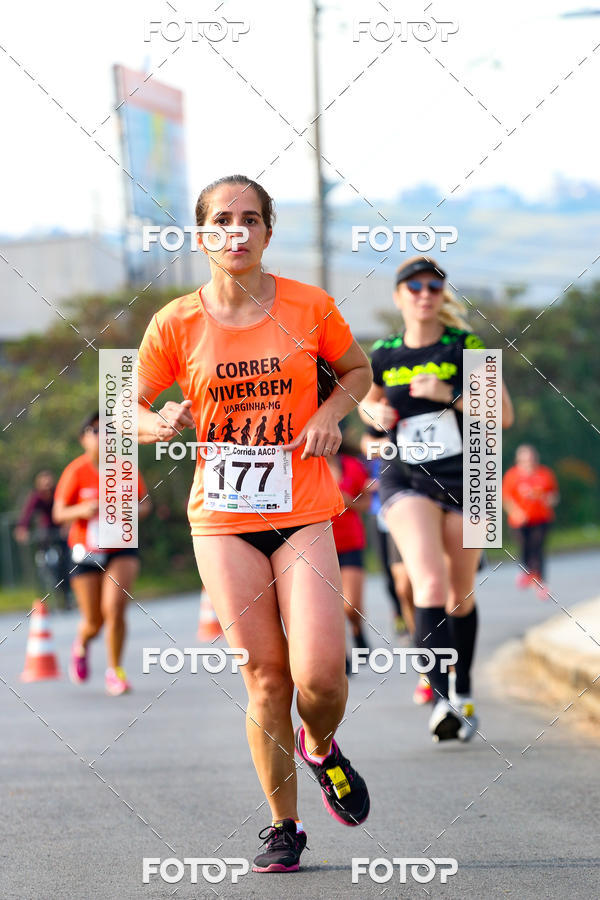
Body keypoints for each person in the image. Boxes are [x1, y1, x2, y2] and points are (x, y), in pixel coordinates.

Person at [135, 175, 373, 873]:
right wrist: (159, 420)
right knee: (267, 679)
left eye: (249, 218)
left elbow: (356, 370)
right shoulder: (175, 322)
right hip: (223, 518)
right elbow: (123, 406)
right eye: (220, 219)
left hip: (303, 510)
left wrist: (329, 413)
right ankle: (283, 825)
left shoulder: (308, 305)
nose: (234, 231)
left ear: (268, 231)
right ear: (202, 235)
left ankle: (320, 747)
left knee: (321, 679)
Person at [360, 256, 514, 742]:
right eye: (415, 287)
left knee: (459, 593)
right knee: (426, 583)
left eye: (434, 286)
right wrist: (373, 417)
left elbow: (503, 415)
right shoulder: (383, 353)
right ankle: (442, 699)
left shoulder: (465, 345)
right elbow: (367, 413)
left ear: (441, 294)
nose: (425, 294)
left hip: (471, 476)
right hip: (405, 476)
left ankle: (463, 691)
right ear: (398, 296)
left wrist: (448, 392)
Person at [53, 412, 152, 695]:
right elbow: (59, 513)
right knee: (94, 621)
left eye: (108, 431)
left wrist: (127, 510)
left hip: (121, 547)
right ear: (83, 438)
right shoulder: (76, 471)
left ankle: (115, 671)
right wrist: (82, 510)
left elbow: (145, 505)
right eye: (95, 431)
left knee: (115, 609)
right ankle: (82, 643)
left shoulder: (125, 468)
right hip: (86, 550)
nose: (102, 437)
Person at [327, 443, 372, 667]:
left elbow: (367, 502)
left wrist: (349, 501)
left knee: (351, 605)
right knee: (329, 608)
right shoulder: (304, 467)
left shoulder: (352, 465)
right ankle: (340, 656)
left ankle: (357, 630)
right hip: (319, 546)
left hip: (350, 542)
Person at [502, 445, 559, 599]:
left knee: (538, 549)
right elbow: (506, 498)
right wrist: (516, 512)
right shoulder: (512, 475)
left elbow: (554, 495)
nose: (528, 462)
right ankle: (527, 572)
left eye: (531, 459)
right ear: (518, 460)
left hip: (541, 519)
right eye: (524, 459)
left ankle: (541, 583)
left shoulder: (544, 473)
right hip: (519, 521)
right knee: (524, 547)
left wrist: (550, 500)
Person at [14, 470, 72, 608]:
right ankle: (43, 594)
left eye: (49, 484)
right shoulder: (36, 497)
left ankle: (67, 594)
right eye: (44, 484)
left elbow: (68, 508)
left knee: (66, 561)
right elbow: (28, 514)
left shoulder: (59, 493)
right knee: (42, 561)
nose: (47, 487)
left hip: (59, 531)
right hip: (45, 533)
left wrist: (67, 526)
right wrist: (22, 528)